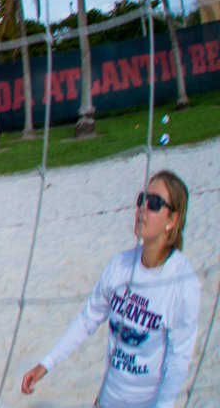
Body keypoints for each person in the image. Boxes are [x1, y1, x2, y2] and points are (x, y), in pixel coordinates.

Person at [21, 170, 200, 407]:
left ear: (172, 220)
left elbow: (178, 362)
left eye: (154, 203)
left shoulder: (183, 284)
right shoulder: (120, 265)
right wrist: (46, 364)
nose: (142, 208)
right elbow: (87, 320)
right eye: (141, 199)